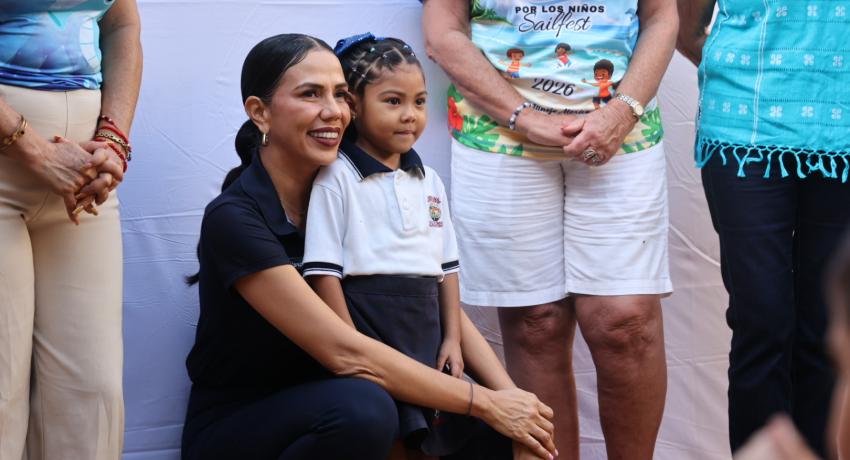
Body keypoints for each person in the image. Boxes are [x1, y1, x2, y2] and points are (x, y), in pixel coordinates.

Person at [181, 33, 557, 460]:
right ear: (260, 113)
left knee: (482, 424)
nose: (333, 111)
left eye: (340, 94)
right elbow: (343, 352)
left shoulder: (361, 190)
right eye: (310, 94)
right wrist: (486, 403)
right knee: (368, 409)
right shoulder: (235, 218)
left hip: (347, 392)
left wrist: (517, 408)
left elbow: (430, 292)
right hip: (247, 429)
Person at [423, 0, 678, 458]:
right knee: (535, 323)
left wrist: (622, 112)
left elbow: (661, 14)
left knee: (625, 322)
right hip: (497, 133)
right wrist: (526, 117)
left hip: (622, 130)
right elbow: (444, 31)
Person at [678, 1, 850, 455]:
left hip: (843, 129)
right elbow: (683, 18)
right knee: (763, 321)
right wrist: (744, 64)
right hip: (743, 123)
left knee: (829, 325)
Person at [302, 33, 468, 459]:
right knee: (390, 430)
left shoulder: (429, 180)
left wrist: (452, 338)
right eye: (393, 101)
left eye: (419, 101)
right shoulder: (336, 177)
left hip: (424, 325)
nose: (409, 115)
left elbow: (446, 268)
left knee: (434, 440)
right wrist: (352, 344)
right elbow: (323, 272)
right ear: (354, 107)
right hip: (370, 323)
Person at [0, 2, 141, 459]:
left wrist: (114, 139)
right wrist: (36, 152)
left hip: (84, 177)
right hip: (13, 165)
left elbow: (120, 23)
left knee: (92, 389)